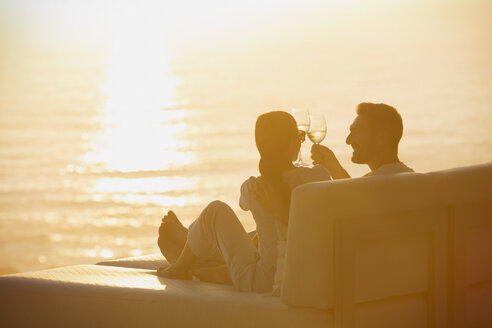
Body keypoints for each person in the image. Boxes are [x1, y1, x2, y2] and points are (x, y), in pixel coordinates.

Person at [157, 111, 331, 292]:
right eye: (299, 137)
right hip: (300, 274)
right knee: (263, 232)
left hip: (260, 280)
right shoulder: (319, 176)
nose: (300, 142)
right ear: (292, 143)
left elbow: (243, 205)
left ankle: (181, 265)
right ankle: (197, 253)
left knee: (215, 211)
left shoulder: (253, 188)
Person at [311, 102, 414, 178]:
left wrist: (334, 167)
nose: (348, 141)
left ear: (381, 138)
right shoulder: (415, 180)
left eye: (355, 132)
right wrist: (334, 167)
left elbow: (353, 199)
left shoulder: (371, 185)